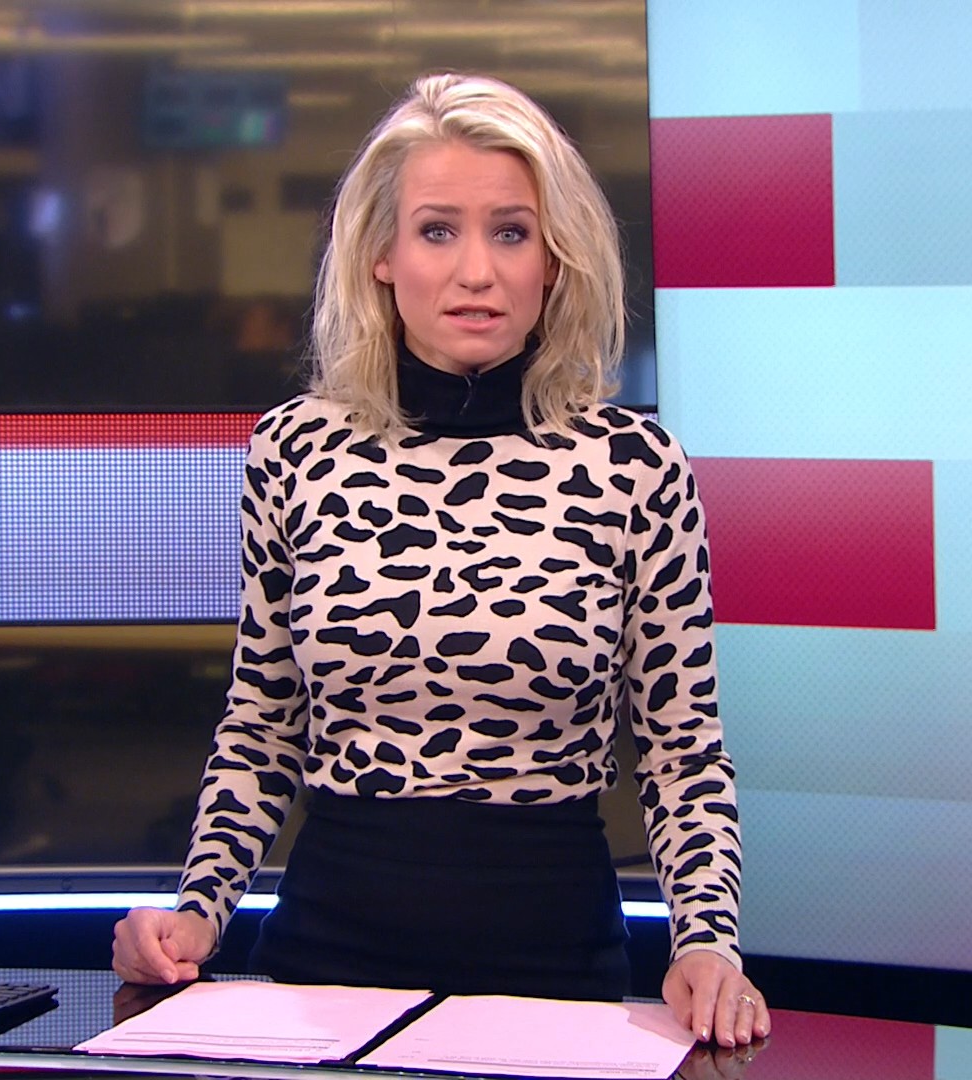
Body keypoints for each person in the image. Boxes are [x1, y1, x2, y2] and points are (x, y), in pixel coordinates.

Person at [113, 72, 767, 1048]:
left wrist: (707, 941)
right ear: (380, 255)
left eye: (511, 232)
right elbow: (262, 723)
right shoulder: (296, 451)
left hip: (555, 974)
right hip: (326, 971)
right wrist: (197, 910)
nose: (476, 272)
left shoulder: (634, 466)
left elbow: (682, 752)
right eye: (436, 231)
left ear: (556, 258)